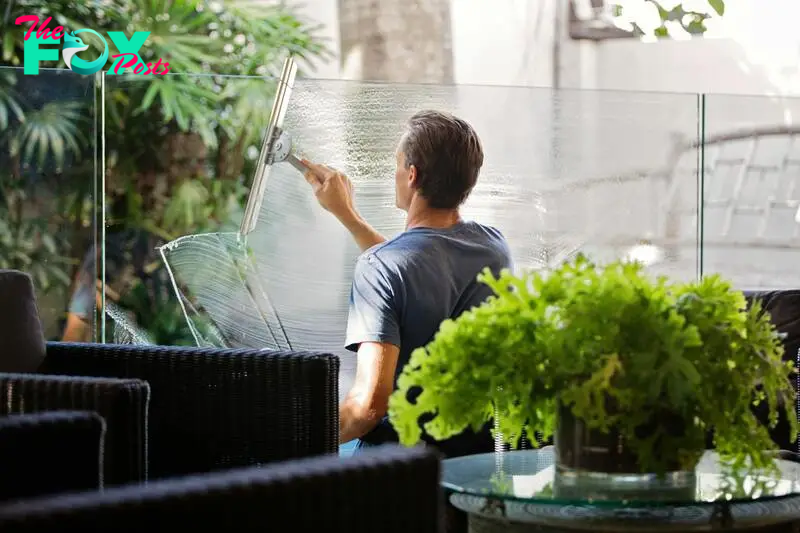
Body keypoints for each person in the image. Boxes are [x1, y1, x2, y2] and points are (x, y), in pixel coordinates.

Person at [302, 110, 512, 458]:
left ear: (412, 176)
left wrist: (292, 436)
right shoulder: (494, 248)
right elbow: (419, 266)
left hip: (398, 471)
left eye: (397, 165)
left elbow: (368, 408)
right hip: (473, 461)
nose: (395, 174)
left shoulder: (381, 267)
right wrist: (348, 216)